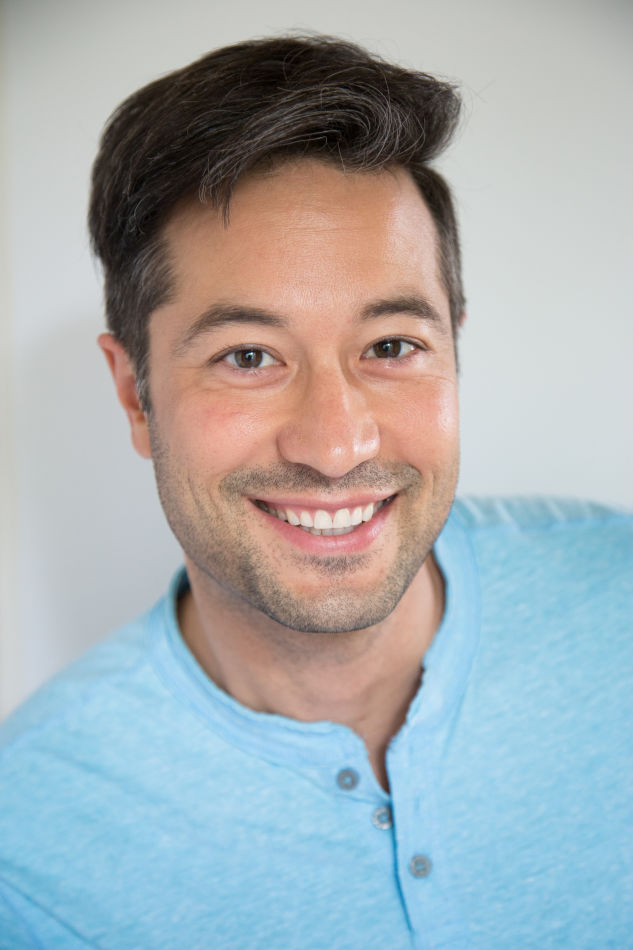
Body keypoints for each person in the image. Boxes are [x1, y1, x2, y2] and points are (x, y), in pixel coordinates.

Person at [1, 34, 631, 950]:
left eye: (391, 347)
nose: (336, 447)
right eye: (248, 356)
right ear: (136, 394)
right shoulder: (26, 846)